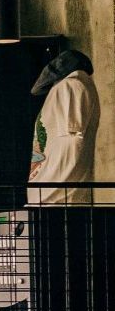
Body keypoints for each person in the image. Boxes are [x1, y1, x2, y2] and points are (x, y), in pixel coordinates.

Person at [29, 46, 99, 205]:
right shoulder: (67, 87)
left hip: (57, 197)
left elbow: (73, 137)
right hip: (53, 196)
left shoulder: (71, 85)